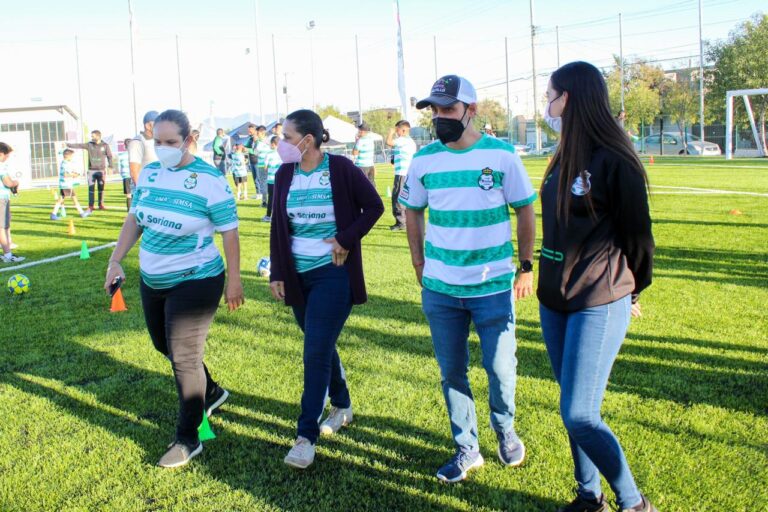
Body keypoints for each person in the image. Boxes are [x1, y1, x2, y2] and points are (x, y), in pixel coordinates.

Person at [399, 75, 537, 483]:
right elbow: (412, 211)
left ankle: (505, 430)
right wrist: (419, 264)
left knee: (500, 368)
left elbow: (525, 210)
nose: (440, 117)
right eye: (435, 110)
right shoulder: (424, 160)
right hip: (441, 289)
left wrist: (526, 267)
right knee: (452, 372)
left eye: (448, 109)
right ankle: (466, 447)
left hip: (493, 286)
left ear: (471, 110)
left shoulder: (503, 156)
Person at [539, 62, 657, 512]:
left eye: (550, 95)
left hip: (599, 300)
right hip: (555, 302)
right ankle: (589, 496)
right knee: (574, 408)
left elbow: (639, 239)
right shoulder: (562, 154)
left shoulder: (616, 160)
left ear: (569, 98)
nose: (545, 104)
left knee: (580, 414)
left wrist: (633, 290)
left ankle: (633, 502)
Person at [103, 109, 243, 468]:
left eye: (170, 142)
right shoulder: (150, 173)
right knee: (161, 344)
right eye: (158, 142)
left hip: (196, 279)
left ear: (189, 139)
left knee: (183, 358)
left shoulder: (210, 179)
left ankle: (188, 437)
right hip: (153, 278)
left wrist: (235, 280)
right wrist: (115, 260)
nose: (163, 148)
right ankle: (211, 391)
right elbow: (136, 217)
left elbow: (229, 231)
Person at [269, 109, 383, 469]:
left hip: (333, 274)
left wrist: (345, 238)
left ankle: (305, 437)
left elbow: (374, 206)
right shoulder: (284, 172)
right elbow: (278, 225)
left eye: (287, 138)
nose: (281, 144)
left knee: (314, 350)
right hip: (297, 276)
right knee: (321, 343)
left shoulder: (341, 169)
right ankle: (342, 405)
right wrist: (278, 272)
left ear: (308, 140)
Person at [67, 130, 113, 211]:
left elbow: (109, 156)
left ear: (98, 136)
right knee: (91, 189)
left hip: (101, 171)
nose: (91, 137)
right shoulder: (89, 144)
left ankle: (101, 204)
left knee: (101, 189)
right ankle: (91, 205)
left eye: (93, 136)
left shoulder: (105, 145)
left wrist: (111, 166)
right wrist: (68, 145)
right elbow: (79, 145)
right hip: (91, 171)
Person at [385, 120, 416, 231]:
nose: (396, 132)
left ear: (403, 130)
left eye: (397, 129)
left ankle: (401, 222)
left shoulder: (403, 140)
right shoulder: (410, 141)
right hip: (407, 173)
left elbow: (388, 142)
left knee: (398, 197)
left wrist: (390, 132)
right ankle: (406, 220)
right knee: (406, 197)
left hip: (402, 173)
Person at [0, 142, 24, 263]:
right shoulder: (0, 166)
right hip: (1, 199)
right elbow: (8, 183)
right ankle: (7, 255)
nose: (7, 158)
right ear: (1, 154)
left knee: (6, 222)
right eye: (7, 155)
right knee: (2, 227)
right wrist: (16, 182)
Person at [50, 149, 90, 220]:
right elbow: (65, 174)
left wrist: (75, 173)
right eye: (71, 156)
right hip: (66, 185)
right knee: (72, 199)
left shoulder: (65, 163)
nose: (72, 157)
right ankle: (81, 213)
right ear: (67, 156)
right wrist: (74, 175)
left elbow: (68, 172)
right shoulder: (65, 164)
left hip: (66, 184)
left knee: (63, 199)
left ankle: (53, 214)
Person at [128, 111, 159, 187]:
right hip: (145, 190)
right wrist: (141, 190)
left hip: (157, 188)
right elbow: (134, 171)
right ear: (148, 126)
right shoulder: (137, 142)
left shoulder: (159, 141)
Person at [244, 124, 269, 204]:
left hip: (265, 165)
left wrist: (248, 149)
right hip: (261, 164)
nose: (256, 135)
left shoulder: (266, 142)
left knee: (265, 183)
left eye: (257, 133)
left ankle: (265, 200)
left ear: (262, 133)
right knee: (263, 183)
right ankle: (264, 200)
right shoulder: (259, 142)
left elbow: (256, 152)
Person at [262, 135, 282, 222]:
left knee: (271, 198)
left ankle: (268, 216)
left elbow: (265, 167)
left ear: (273, 144)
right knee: (280, 198)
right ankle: (279, 216)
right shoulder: (283, 153)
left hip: (271, 179)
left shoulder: (269, 154)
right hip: (281, 179)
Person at [352, 122, 376, 186]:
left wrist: (356, 141)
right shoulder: (371, 139)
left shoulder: (361, 140)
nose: (358, 132)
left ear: (362, 131)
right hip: (370, 165)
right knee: (371, 183)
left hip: (362, 165)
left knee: (362, 184)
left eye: (359, 130)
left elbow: (354, 152)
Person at [119, 138, 133, 211]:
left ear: (125, 146)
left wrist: (123, 176)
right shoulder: (136, 154)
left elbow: (120, 167)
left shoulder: (121, 155)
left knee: (128, 195)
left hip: (126, 176)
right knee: (136, 194)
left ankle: (129, 213)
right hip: (135, 176)